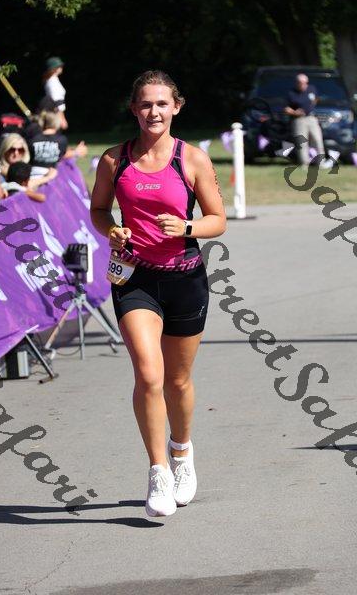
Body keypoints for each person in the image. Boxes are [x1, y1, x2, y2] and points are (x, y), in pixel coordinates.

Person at [90, 70, 226, 517]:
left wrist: (186, 227)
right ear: (134, 109)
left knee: (177, 380)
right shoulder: (114, 160)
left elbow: (217, 220)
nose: (154, 111)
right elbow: (98, 210)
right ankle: (158, 471)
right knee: (149, 375)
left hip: (185, 278)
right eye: (146, 104)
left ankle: (181, 452)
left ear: (176, 107)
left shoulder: (193, 159)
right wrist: (112, 230)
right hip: (136, 279)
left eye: (162, 103)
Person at [284, 73, 325, 166]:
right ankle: (304, 163)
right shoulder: (291, 93)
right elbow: (286, 109)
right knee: (302, 142)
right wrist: (295, 112)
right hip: (299, 120)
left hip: (311, 118)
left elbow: (316, 99)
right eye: (300, 83)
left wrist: (312, 105)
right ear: (297, 83)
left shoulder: (312, 89)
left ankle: (321, 163)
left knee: (317, 140)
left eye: (305, 83)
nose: (303, 85)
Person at [43, 57, 68, 131]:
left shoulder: (53, 80)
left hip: (53, 112)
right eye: (59, 66)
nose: (61, 67)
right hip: (55, 114)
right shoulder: (53, 82)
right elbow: (57, 102)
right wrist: (62, 118)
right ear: (54, 68)